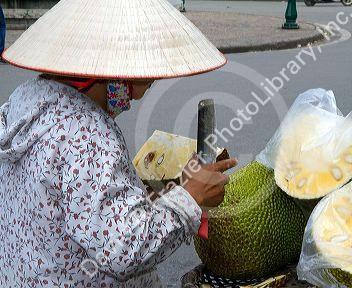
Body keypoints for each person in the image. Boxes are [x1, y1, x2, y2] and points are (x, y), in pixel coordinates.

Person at [0, 0, 235, 287]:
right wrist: (190, 197)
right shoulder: (86, 135)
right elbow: (123, 249)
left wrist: (154, 197)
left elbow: (75, 208)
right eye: (145, 73)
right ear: (115, 71)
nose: (149, 84)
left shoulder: (26, 99)